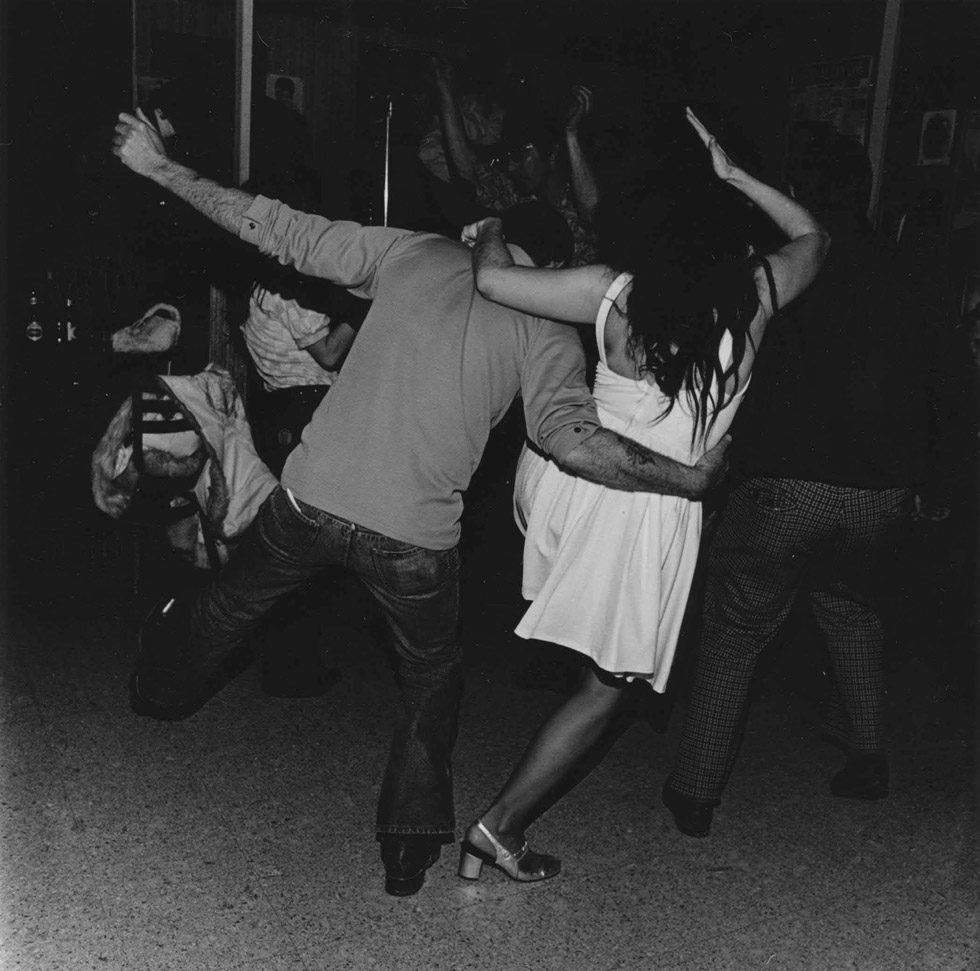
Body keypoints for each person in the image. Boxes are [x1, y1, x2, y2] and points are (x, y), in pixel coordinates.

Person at [111, 107, 731, 898]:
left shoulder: (410, 251)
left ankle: (156, 689)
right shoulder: (549, 334)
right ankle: (406, 853)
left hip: (312, 496)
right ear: (556, 263)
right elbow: (574, 442)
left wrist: (162, 168)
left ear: (494, 239)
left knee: (231, 606)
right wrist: (687, 477)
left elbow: (278, 229)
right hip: (414, 540)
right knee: (430, 681)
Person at [454, 108, 829, 882]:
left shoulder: (612, 289)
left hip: (569, 488)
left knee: (604, 676)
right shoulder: (757, 291)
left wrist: (488, 220)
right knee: (609, 685)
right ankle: (498, 826)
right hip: (647, 513)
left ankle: (499, 821)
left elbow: (490, 279)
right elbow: (816, 238)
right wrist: (737, 174)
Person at [662, 120, 933, 839]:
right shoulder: (910, 268)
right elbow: (939, 382)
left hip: (787, 483)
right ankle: (869, 759)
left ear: (797, 191)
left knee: (737, 622)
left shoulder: (782, 266)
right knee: (851, 608)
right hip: (882, 492)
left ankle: (695, 792)